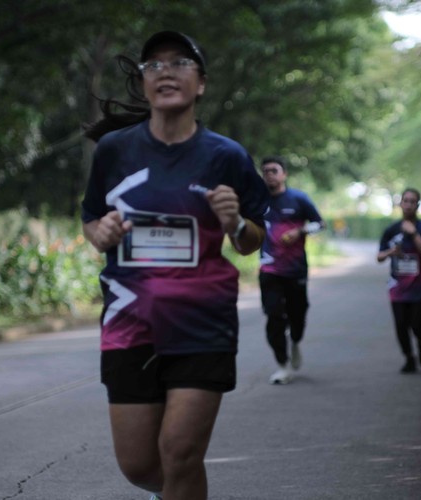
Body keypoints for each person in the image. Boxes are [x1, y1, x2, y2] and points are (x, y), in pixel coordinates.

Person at [81, 31, 269, 500]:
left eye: (180, 63)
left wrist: (234, 222)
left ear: (201, 83)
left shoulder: (226, 156)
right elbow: (91, 217)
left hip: (203, 323)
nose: (166, 71)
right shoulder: (114, 150)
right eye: (154, 65)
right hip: (129, 323)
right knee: (140, 465)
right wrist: (100, 233)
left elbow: (253, 240)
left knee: (180, 453)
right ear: (145, 83)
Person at [258, 156, 325, 384]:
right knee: (273, 316)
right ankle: (282, 365)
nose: (269, 174)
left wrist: (300, 231)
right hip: (269, 268)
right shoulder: (258, 200)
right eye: (265, 171)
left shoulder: (298, 199)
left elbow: (320, 223)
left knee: (298, 314)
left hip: (295, 269)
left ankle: (295, 340)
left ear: (284, 174)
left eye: (274, 170)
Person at [377, 188, 421, 374]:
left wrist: (413, 233)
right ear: (400, 203)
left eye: (412, 201)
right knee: (401, 325)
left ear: (417, 205)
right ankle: (409, 357)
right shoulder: (391, 230)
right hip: (397, 288)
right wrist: (390, 252)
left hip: (419, 286)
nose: (409, 205)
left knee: (416, 324)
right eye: (406, 201)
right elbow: (379, 257)